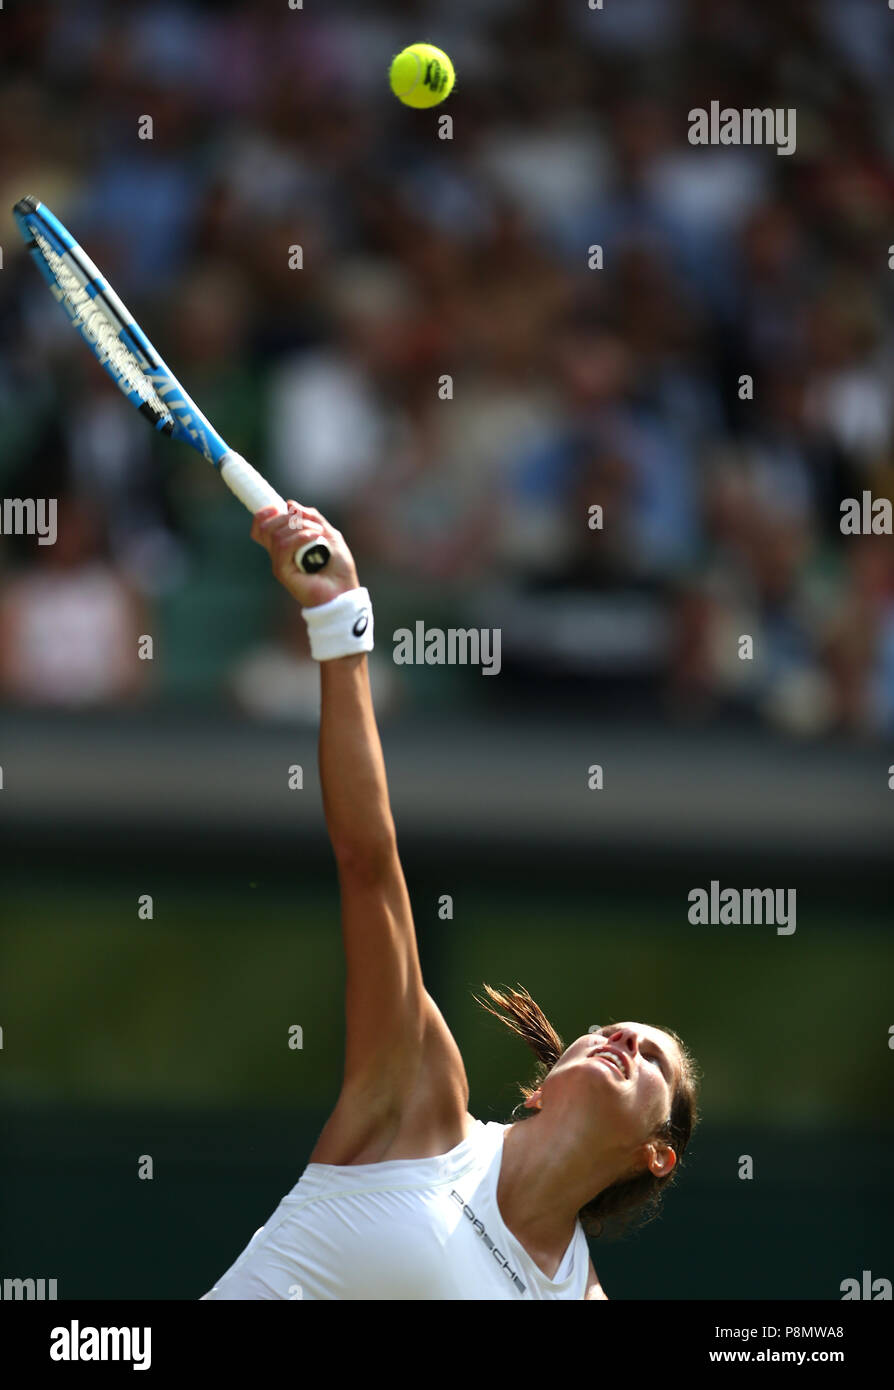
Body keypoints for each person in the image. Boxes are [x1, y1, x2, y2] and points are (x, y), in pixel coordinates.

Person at [200, 501, 700, 1301]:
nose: (621, 1042)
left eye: (651, 1060)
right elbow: (369, 865)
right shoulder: (420, 1097)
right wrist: (341, 622)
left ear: (657, 1152)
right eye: (614, 1032)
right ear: (540, 1086)